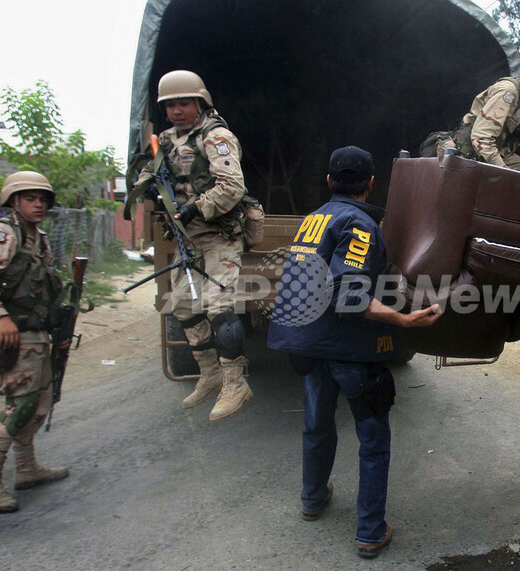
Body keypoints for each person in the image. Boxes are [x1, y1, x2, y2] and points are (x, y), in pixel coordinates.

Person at [267, 146, 442, 558]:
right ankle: (370, 532)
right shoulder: (360, 224)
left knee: (317, 424)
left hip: (307, 344)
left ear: (329, 181)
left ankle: (313, 498)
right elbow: (349, 295)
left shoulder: (313, 219)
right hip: (347, 349)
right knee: (373, 439)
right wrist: (403, 321)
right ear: (371, 183)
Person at [132, 70, 253, 421]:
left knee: (219, 308)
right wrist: (148, 185)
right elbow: (148, 174)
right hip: (187, 238)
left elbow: (232, 187)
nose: (176, 110)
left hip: (219, 235)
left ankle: (236, 383)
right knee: (183, 305)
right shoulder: (165, 141)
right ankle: (210, 372)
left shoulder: (216, 136)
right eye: (170, 105)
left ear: (200, 103)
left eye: (184, 103)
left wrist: (194, 208)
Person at [0, 171, 69, 512]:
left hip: (36, 333)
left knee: (40, 404)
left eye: (43, 200)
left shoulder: (37, 238)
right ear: (14, 201)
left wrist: (58, 328)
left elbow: (44, 290)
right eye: (30, 199)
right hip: (12, 334)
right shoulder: (2, 234)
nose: (38, 205)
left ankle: (26, 468)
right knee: (20, 405)